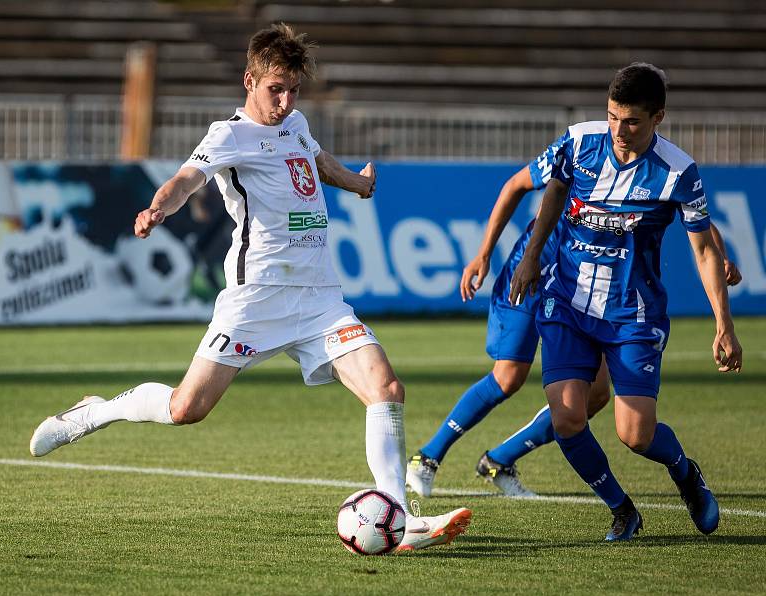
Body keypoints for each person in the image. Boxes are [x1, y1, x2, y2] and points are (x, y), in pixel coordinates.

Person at [29, 23, 471, 553]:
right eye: (275, 90)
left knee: (386, 388)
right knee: (185, 409)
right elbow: (185, 181)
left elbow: (314, 158)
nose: (285, 102)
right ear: (249, 81)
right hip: (255, 299)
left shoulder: (297, 123)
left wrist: (355, 181)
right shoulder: (228, 135)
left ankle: (396, 516)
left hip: (318, 298)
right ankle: (96, 410)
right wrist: (157, 208)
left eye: (293, 90)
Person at [406, 153, 740, 499]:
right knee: (509, 375)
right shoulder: (581, 151)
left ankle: (499, 460)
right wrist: (484, 253)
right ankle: (426, 458)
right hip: (533, 268)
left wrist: (722, 255)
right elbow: (516, 185)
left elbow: (691, 213)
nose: (622, 131)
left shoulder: (658, 169)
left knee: (594, 396)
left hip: (581, 289)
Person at [508, 63, 742, 541]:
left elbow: (702, 248)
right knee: (568, 416)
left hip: (632, 313)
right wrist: (531, 254)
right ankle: (622, 509)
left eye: (632, 121)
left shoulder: (678, 171)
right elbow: (554, 189)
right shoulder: (579, 142)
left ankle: (685, 473)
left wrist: (724, 323)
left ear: (658, 117)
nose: (619, 130)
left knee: (635, 435)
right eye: (613, 116)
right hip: (567, 302)